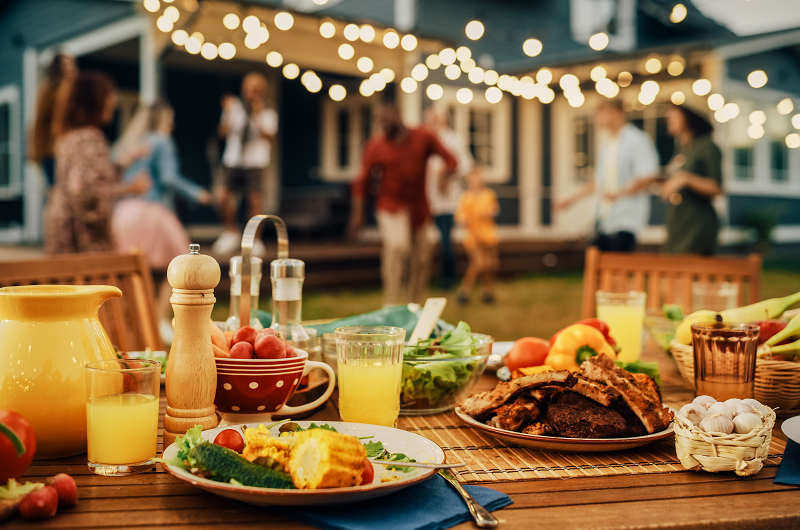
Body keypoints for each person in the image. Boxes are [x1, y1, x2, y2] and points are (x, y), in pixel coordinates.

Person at [111, 101, 212, 339]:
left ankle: (133, 324)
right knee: (183, 262)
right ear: (162, 120)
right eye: (170, 119)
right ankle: (158, 319)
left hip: (123, 212)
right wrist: (196, 193)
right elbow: (168, 177)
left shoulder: (131, 144)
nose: (173, 124)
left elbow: (114, 166)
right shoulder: (161, 141)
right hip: (150, 210)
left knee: (133, 269)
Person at [349, 102, 458, 307]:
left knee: (423, 256)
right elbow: (362, 182)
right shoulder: (375, 145)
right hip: (390, 205)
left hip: (418, 207)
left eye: (385, 117)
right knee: (398, 245)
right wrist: (357, 214)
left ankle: (413, 305)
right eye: (378, 119)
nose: (382, 122)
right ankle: (390, 304)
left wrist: (445, 176)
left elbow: (451, 159)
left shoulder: (423, 137)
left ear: (397, 113)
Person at [46, 72, 150, 254]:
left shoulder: (68, 137)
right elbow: (84, 191)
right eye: (109, 95)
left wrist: (127, 160)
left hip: (64, 232)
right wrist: (130, 189)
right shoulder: (90, 138)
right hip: (83, 238)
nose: (113, 102)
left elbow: (92, 175)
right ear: (93, 101)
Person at [553, 99, 659, 251]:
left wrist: (620, 193)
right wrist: (570, 200)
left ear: (617, 113)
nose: (597, 119)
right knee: (593, 257)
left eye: (602, 114)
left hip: (626, 218)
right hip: (605, 219)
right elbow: (598, 182)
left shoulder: (637, 140)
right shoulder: (606, 144)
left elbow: (648, 176)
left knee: (616, 261)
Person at [213, 72, 278, 256]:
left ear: (262, 91)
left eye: (255, 89)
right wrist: (227, 113)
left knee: (255, 200)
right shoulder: (234, 108)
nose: (251, 92)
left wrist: (257, 115)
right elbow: (222, 133)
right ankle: (231, 232)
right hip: (233, 159)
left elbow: (270, 137)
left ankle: (255, 240)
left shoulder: (268, 111)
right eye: (248, 88)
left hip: (255, 161)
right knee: (222, 196)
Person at [661, 104, 722, 255]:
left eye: (675, 113)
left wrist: (685, 179)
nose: (668, 118)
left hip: (696, 225)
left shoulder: (706, 146)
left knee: (689, 267)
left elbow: (716, 187)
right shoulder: (684, 148)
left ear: (690, 116)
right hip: (678, 222)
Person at [424, 108, 473, 290]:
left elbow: (466, 165)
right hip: (425, 200)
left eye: (436, 119)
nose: (433, 122)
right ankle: (423, 278)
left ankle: (447, 279)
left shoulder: (454, 139)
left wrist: (446, 173)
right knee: (422, 242)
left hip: (447, 201)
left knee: (446, 241)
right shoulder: (423, 140)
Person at [29, 53, 78, 187]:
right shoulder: (49, 89)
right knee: (56, 189)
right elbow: (40, 122)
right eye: (65, 65)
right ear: (57, 68)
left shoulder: (77, 89)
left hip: (74, 148)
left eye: (71, 64)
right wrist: (36, 153)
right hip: (53, 150)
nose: (69, 68)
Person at [455, 166, 499, 305]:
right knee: (478, 263)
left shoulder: (488, 194)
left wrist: (488, 213)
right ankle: (464, 292)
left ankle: (487, 292)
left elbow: (493, 209)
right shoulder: (465, 197)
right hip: (472, 237)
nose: (475, 181)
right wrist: (463, 220)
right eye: (473, 179)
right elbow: (460, 217)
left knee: (489, 264)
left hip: (487, 235)